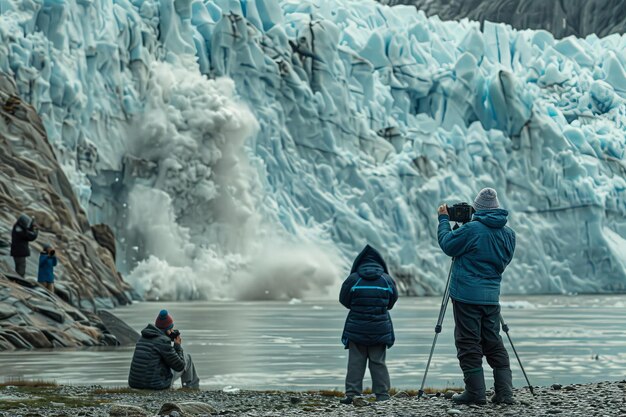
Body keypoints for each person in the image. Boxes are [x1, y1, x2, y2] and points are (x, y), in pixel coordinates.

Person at [437, 188, 516, 405]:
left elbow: (447, 245)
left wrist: (444, 220)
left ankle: (475, 393)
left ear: (477, 209)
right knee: (493, 341)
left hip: (466, 297)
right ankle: (505, 393)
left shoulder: (471, 230)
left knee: (468, 342)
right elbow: (504, 260)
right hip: (491, 297)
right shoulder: (509, 234)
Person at [339, 245, 399, 404]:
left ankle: (352, 395)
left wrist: (358, 308)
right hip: (380, 328)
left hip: (356, 328)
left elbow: (344, 300)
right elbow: (392, 302)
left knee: (355, 362)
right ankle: (383, 396)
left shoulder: (353, 279)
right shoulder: (387, 280)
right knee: (378, 362)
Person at [128, 310, 200, 390]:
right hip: (155, 385)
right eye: (171, 329)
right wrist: (177, 346)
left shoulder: (142, 338)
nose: (172, 331)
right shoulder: (163, 341)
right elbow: (180, 366)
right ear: (167, 330)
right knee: (188, 358)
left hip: (135, 384)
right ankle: (191, 389)